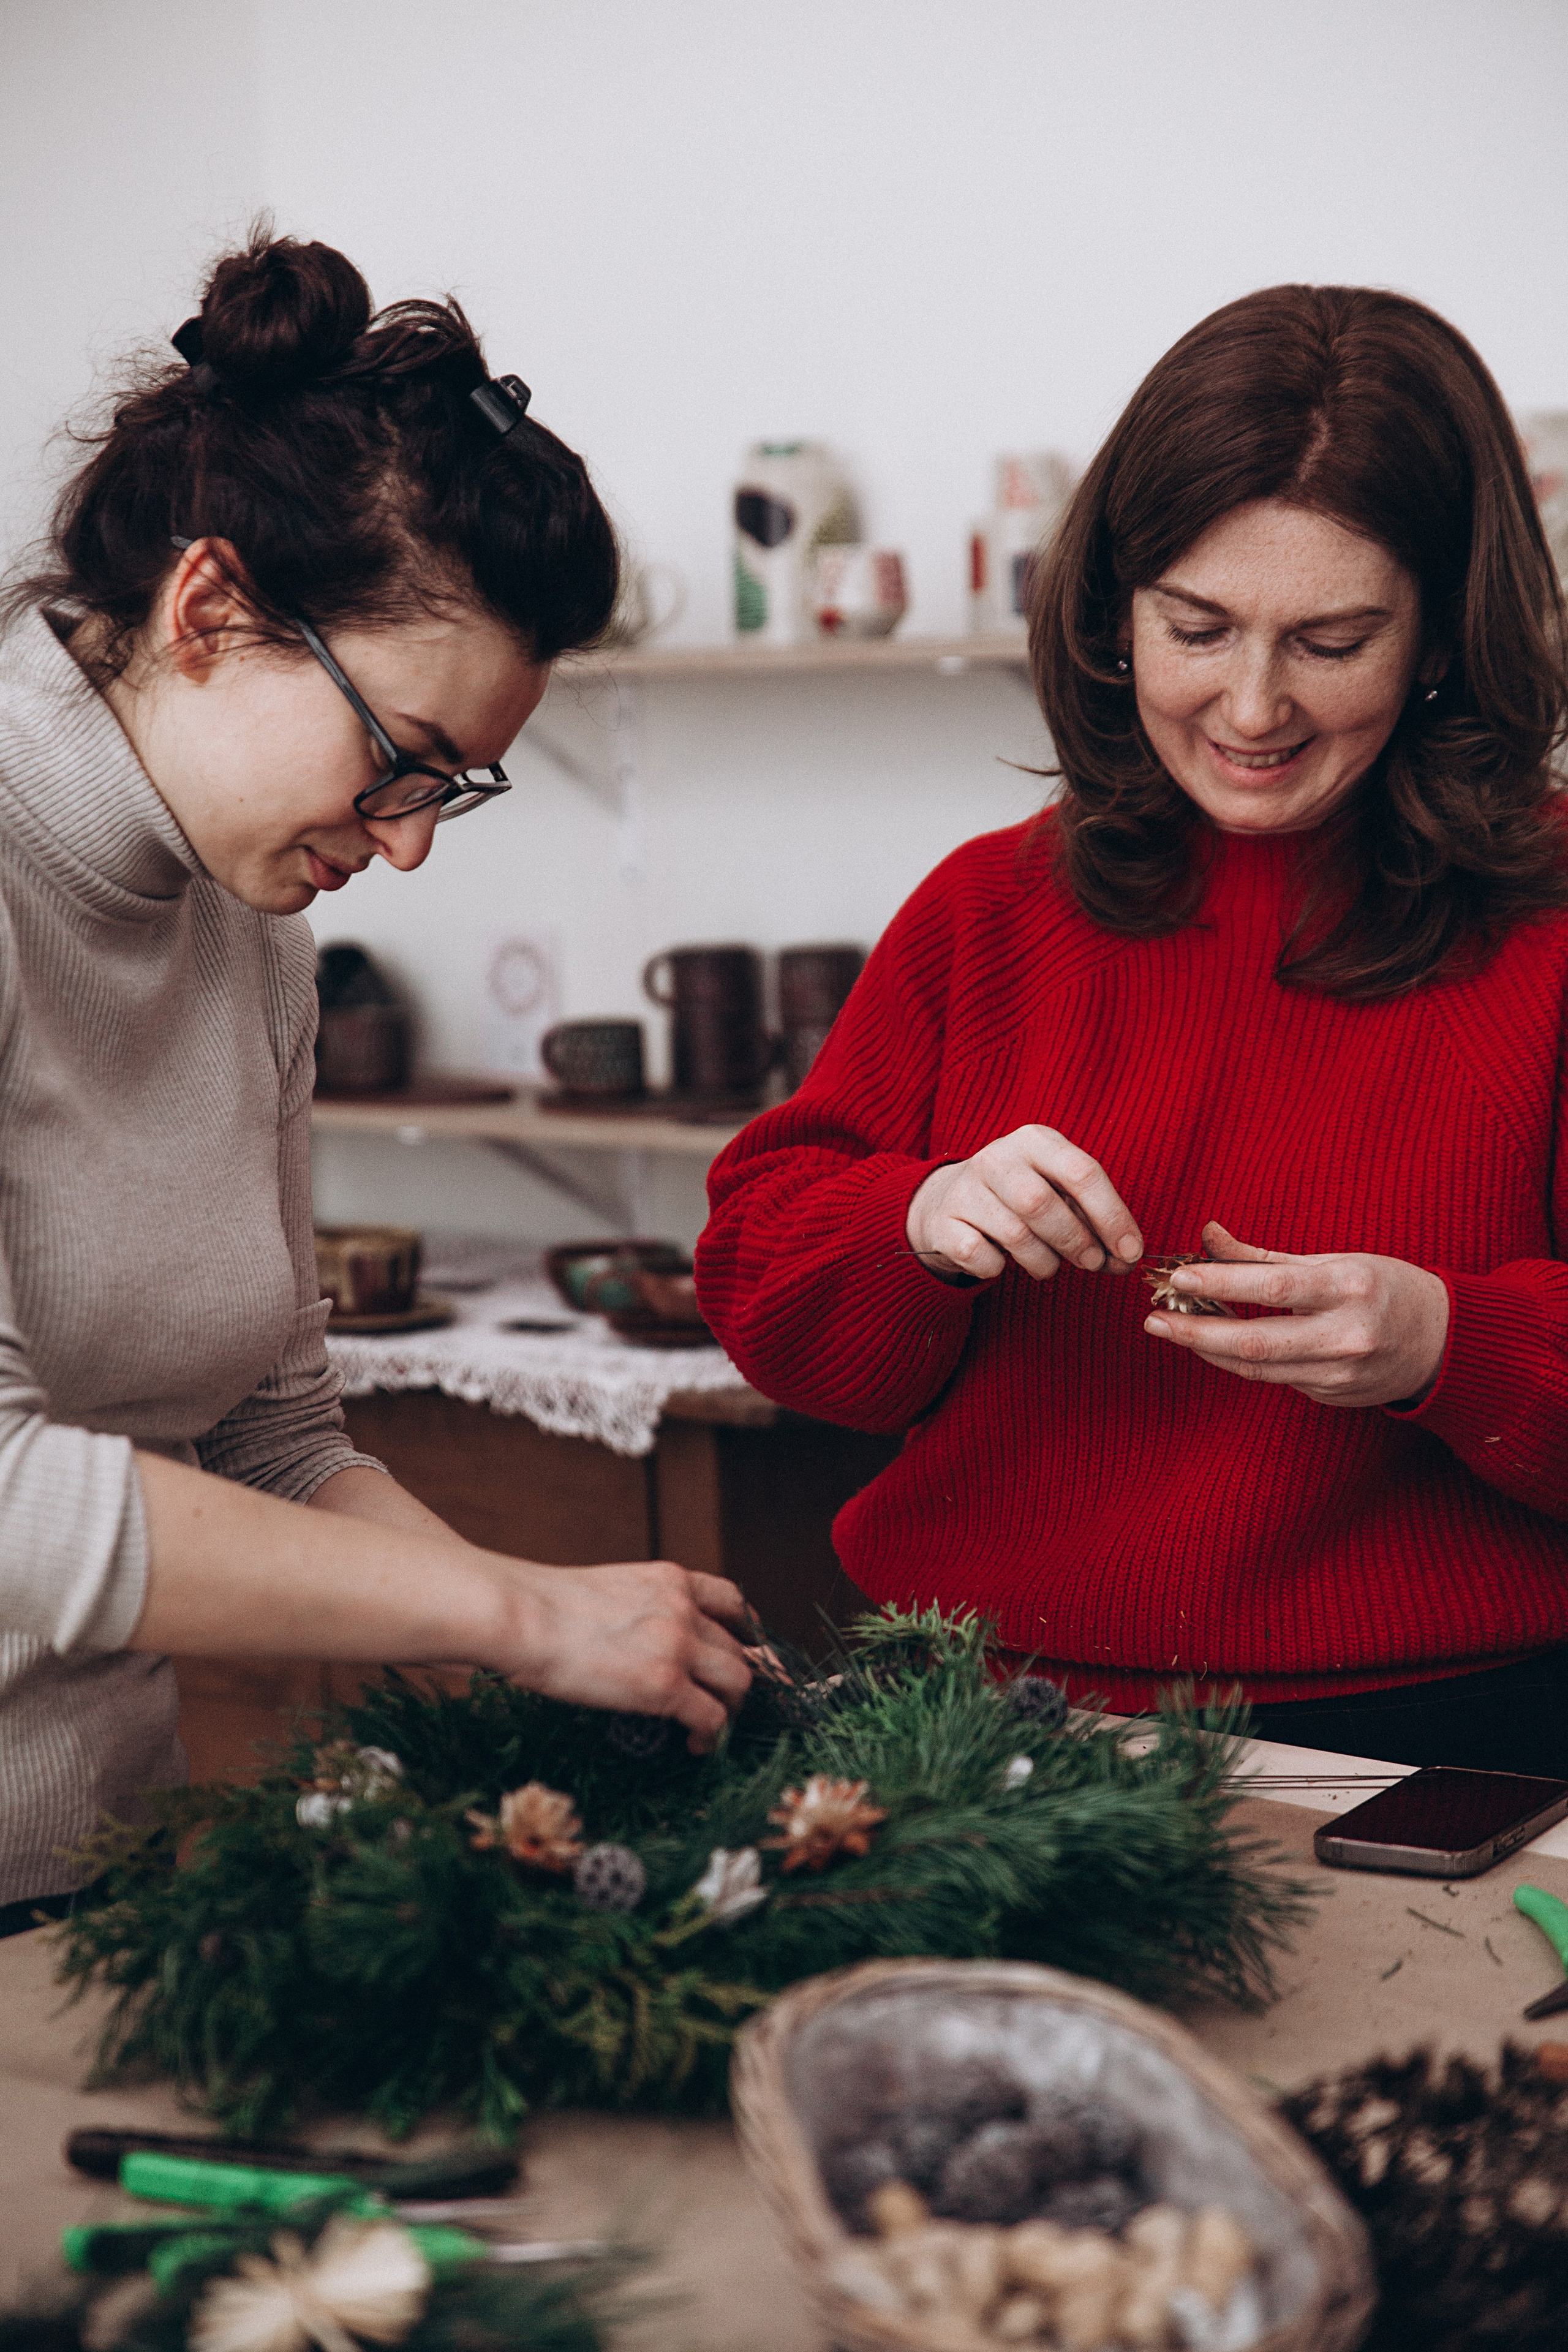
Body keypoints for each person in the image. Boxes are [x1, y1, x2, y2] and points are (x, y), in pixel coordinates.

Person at [696, 283, 1568, 1776]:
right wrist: (914, 1220)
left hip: (1442, 1741)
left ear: (1437, 636)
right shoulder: (986, 909)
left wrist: (1447, 1344)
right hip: (980, 1723)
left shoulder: (1546, 918)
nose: (1251, 707)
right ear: (1111, 612)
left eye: (1331, 641)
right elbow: (766, 1300)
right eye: (1196, 627)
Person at [0, 230, 750, 1921]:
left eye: (452, 790)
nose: (406, 848)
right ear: (209, 612)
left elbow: (270, 1430)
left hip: (89, 1882)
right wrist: (521, 1616)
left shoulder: (247, 922)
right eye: (400, 761)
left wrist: (564, 1629)